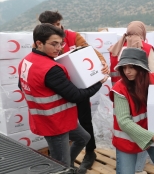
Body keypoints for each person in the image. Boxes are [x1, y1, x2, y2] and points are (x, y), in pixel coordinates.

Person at [17, 24, 108, 172]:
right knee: (61, 166)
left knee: (83, 138)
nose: (59, 48)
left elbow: (21, 86)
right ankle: (66, 168)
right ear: (39, 43)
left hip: (53, 119)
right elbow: (76, 96)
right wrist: (99, 82)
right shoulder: (51, 69)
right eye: (54, 44)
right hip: (55, 124)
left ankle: (69, 165)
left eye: (61, 43)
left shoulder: (27, 61)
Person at [109, 48, 154, 174]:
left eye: (132, 67)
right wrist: (153, 136)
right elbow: (124, 122)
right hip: (128, 140)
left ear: (142, 68)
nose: (127, 72)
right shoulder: (120, 89)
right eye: (124, 67)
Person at [108, 20, 154, 173]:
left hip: (119, 95)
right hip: (139, 96)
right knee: (140, 128)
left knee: (124, 130)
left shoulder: (115, 48)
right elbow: (153, 73)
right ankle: (138, 168)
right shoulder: (146, 48)